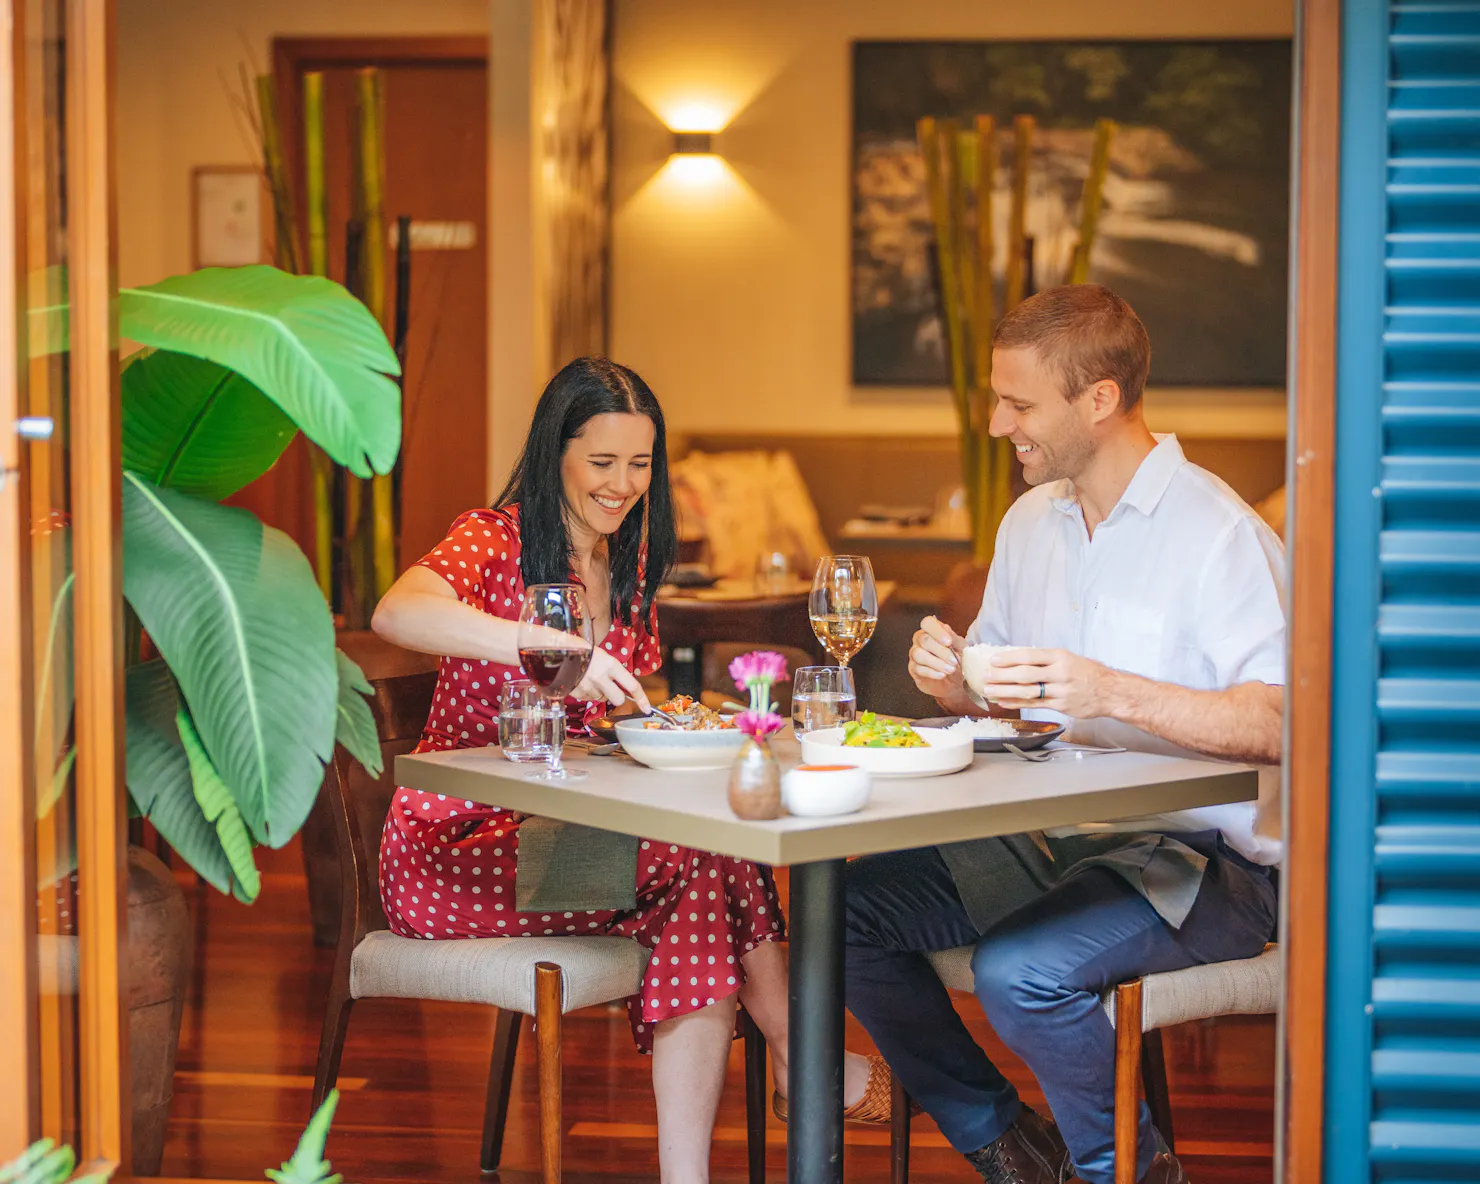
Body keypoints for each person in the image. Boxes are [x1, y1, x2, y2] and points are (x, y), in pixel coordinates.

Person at [370, 356, 882, 1182]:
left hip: (561, 835)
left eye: (639, 464)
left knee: (705, 863)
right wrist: (543, 642)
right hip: (456, 847)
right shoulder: (495, 538)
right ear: (555, 454)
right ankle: (799, 1051)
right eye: (601, 462)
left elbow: (611, 724)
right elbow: (396, 611)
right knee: (702, 859)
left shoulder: (628, 564)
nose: (622, 485)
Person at [844, 285, 1285, 1184]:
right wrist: (957, 681)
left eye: (1019, 403)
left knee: (1018, 971)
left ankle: (1124, 1170)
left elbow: (1279, 723)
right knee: (842, 918)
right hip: (1059, 843)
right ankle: (1010, 1148)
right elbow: (1011, 705)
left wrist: (1111, 689)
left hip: (1207, 865)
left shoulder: (1222, 535)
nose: (999, 422)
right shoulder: (1029, 522)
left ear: (1100, 399)